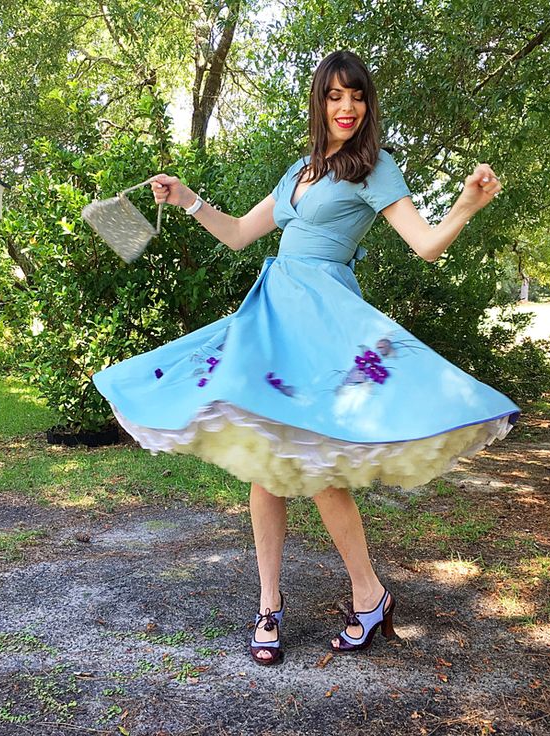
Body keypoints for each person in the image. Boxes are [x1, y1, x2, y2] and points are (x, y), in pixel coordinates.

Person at [92, 50, 520, 666]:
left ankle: (369, 595)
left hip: (321, 324)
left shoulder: (373, 169)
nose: (347, 108)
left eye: (358, 97)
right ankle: (271, 604)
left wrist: (466, 207)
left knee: (313, 466)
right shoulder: (301, 169)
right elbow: (240, 233)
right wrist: (187, 199)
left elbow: (426, 245)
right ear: (319, 103)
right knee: (269, 463)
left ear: (368, 106)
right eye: (334, 96)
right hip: (273, 320)